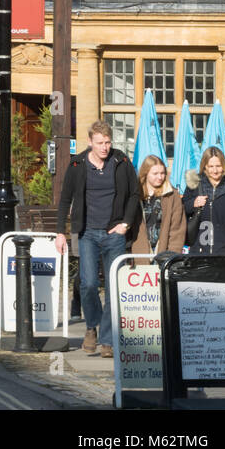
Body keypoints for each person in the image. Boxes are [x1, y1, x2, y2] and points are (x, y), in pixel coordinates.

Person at [55, 120, 139, 358]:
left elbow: (134, 194)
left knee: (114, 288)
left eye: (108, 142)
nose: (105, 147)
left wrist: (126, 224)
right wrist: (61, 231)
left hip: (114, 233)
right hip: (87, 233)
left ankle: (108, 340)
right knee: (89, 284)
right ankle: (91, 326)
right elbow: (65, 199)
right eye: (100, 143)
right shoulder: (77, 164)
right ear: (90, 142)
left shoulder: (121, 161)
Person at [184, 146, 225, 256]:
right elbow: (180, 211)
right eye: (211, 166)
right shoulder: (194, 185)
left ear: (224, 166)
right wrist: (193, 203)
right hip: (198, 251)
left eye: (218, 166)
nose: (215, 170)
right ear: (204, 167)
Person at [128, 154, 186, 263]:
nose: (160, 177)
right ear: (145, 174)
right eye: (155, 173)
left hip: (164, 252)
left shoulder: (172, 195)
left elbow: (177, 229)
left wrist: (172, 254)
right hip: (139, 252)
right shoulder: (134, 194)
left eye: (162, 173)